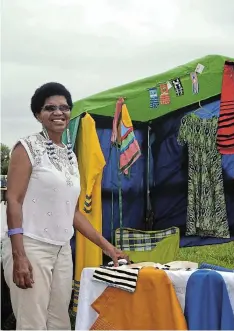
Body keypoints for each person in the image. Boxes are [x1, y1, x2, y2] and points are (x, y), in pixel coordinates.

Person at [2, 82, 129, 330]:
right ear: (38, 114)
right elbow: (13, 201)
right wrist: (19, 256)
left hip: (61, 250)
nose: (58, 112)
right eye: (50, 108)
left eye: (64, 107)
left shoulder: (68, 155)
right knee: (32, 323)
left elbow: (72, 212)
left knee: (59, 322)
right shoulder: (26, 148)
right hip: (31, 246)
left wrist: (109, 248)